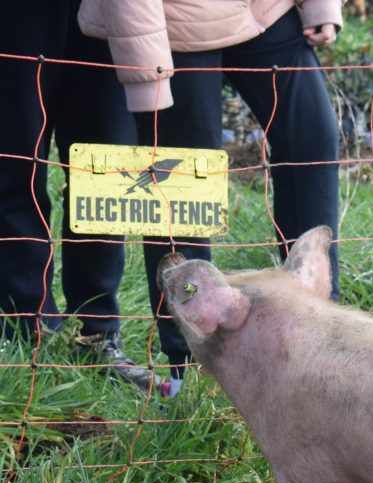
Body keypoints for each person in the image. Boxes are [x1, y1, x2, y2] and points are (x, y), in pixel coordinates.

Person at [78, 0, 343, 397]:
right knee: (183, 182)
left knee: (312, 140)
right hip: (173, 25)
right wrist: (148, 73)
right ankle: (190, 367)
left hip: (266, 10)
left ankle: (320, 339)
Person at [0, 2, 155, 392]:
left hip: (111, 8)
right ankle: (27, 330)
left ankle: (98, 333)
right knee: (14, 163)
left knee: (106, 170)